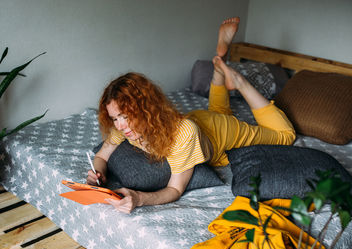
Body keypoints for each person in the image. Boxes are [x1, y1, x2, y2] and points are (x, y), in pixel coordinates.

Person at [87, 17, 296, 214]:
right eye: (115, 118)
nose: (120, 125)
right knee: (219, 110)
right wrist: (98, 173)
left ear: (145, 109)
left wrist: (138, 198)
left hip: (224, 134)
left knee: (285, 136)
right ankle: (220, 60)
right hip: (203, 122)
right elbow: (101, 156)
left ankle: (240, 82)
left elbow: (175, 190)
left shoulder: (182, 134)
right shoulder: (126, 127)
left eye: (124, 116)